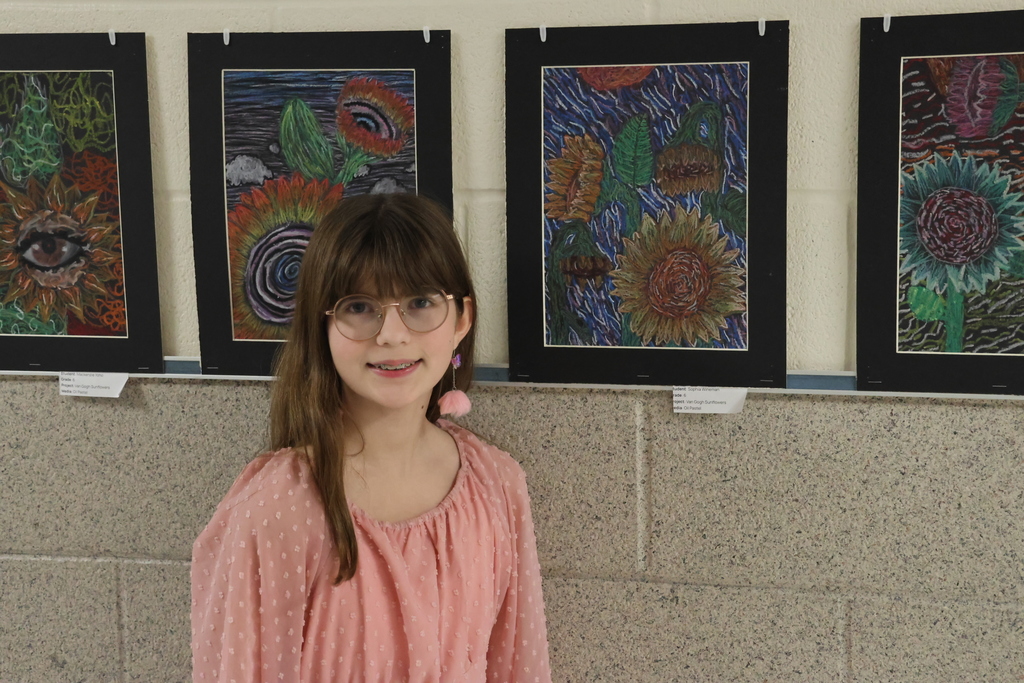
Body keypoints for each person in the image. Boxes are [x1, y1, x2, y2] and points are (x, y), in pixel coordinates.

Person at [190, 193, 551, 682]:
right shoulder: (279, 505)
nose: (391, 334)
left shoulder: (498, 486)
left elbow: (518, 665)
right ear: (322, 327)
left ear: (461, 320)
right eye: (359, 307)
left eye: (421, 303)